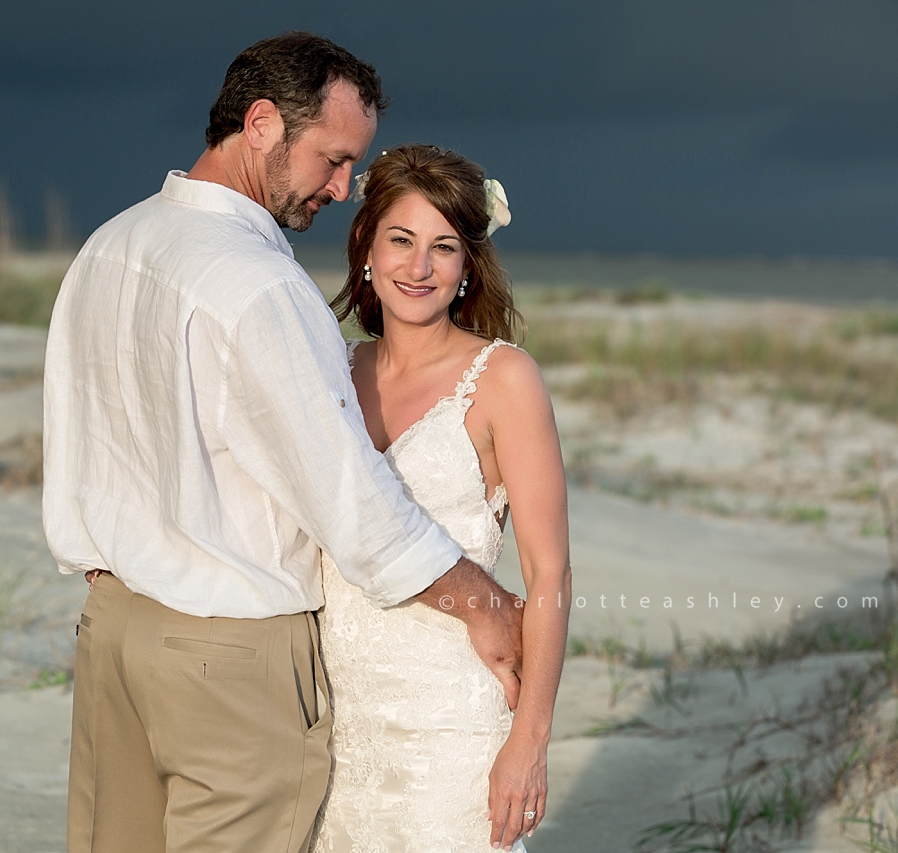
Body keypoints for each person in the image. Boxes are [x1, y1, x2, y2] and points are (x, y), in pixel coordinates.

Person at [42, 33, 523, 853]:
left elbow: (79, 437)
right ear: (261, 123)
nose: (342, 189)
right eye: (333, 159)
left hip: (112, 629)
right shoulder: (261, 285)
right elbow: (350, 501)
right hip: (228, 655)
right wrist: (480, 598)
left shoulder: (109, 246)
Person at [312, 144, 571, 853]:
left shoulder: (505, 379)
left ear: (467, 267)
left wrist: (529, 741)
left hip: (451, 726)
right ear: (366, 245)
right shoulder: (332, 367)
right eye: (401, 239)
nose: (418, 267)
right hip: (337, 722)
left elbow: (549, 573)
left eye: (443, 247)